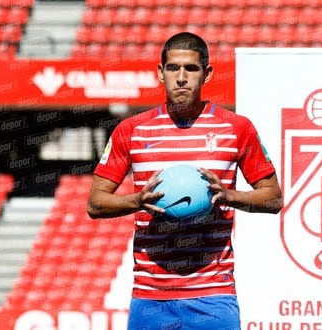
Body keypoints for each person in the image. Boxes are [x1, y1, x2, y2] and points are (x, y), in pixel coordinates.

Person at [87, 31, 283, 329]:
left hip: (213, 296)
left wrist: (230, 196)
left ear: (207, 73)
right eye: (173, 68)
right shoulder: (131, 130)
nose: (181, 77)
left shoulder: (237, 128)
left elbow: (273, 198)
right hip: (151, 297)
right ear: (160, 72)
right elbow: (95, 203)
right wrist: (136, 201)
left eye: (191, 68)